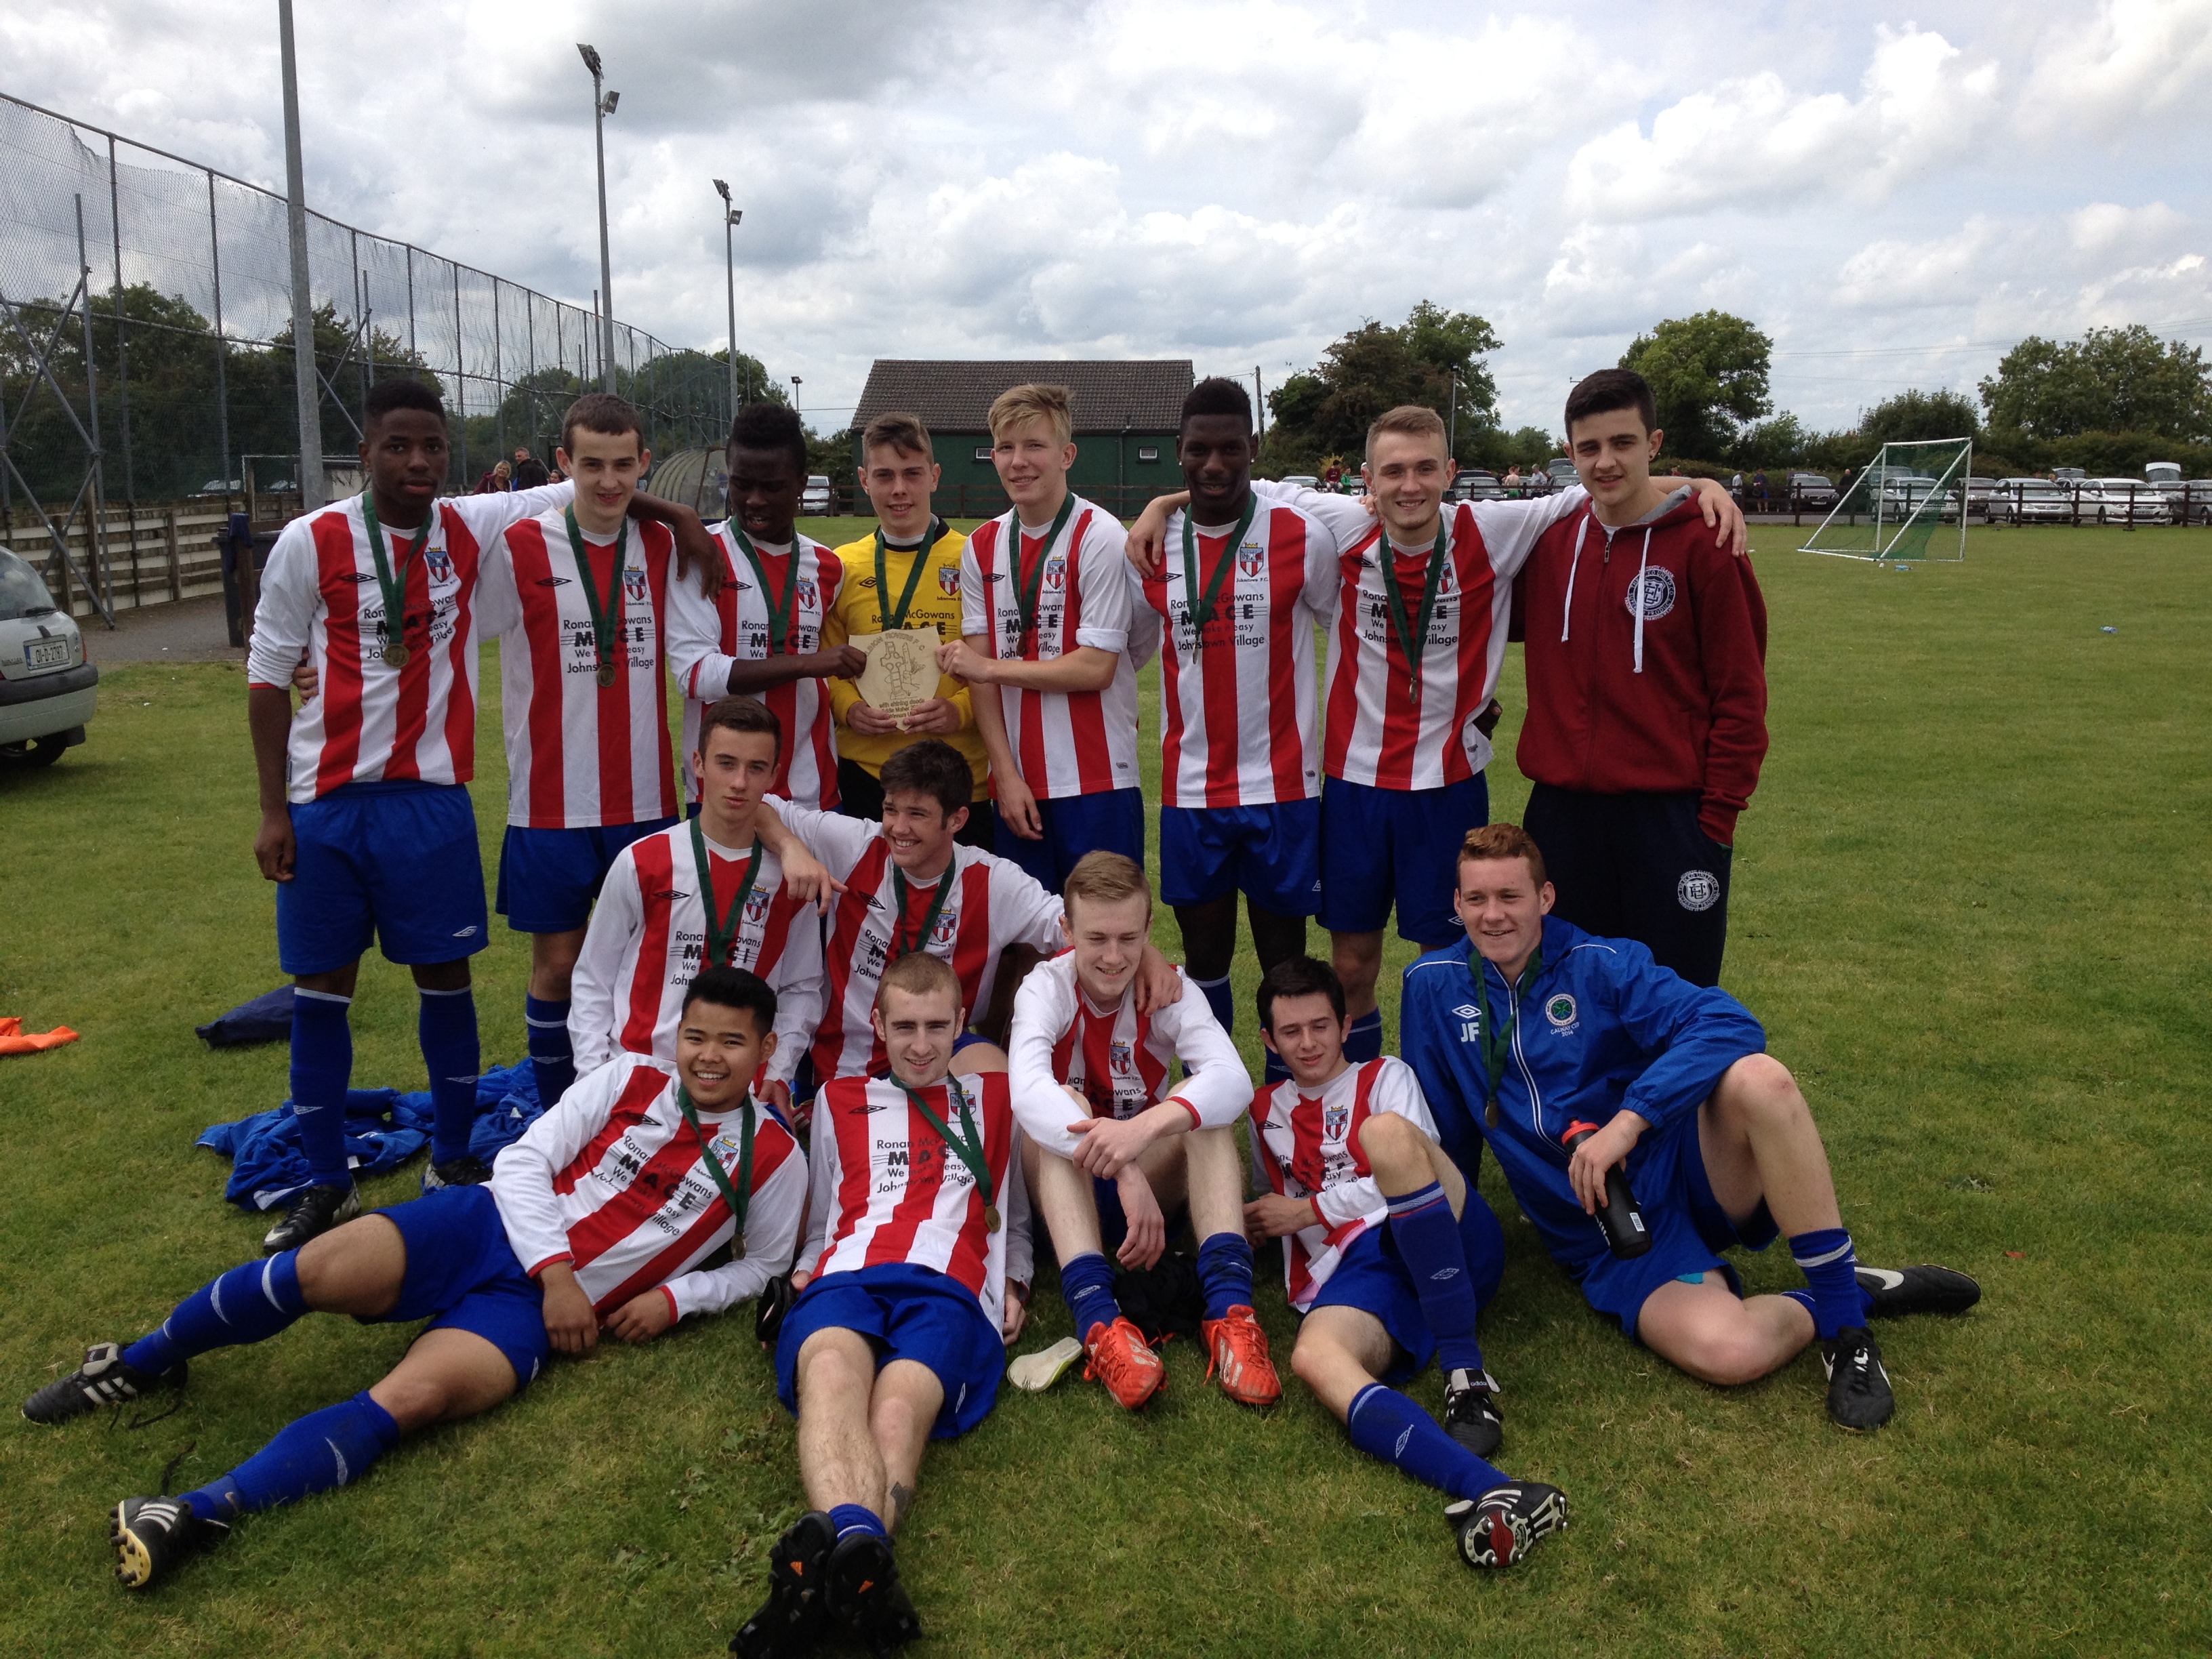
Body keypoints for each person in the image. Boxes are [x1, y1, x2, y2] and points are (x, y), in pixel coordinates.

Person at [26, 967, 806, 1589]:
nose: (709, 1056)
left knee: (413, 1400)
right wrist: (559, 1274)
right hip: (485, 1226)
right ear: (677, 1035)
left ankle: (194, 1513)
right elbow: (523, 1161)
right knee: (307, 1271)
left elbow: (764, 1265)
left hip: (525, 1312)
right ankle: (137, 1364)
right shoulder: (629, 1078)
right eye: (696, 1036)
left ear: (765, 1049)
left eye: (731, 1042)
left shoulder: (774, 1156)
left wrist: (677, 1297)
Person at [1129, 409, 1745, 1065]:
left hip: (1448, 787)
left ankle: (1439, 1100)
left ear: (1450, 473)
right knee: (1353, 963)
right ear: (1367, 480)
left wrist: (1704, 485)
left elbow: (1603, 483)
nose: (1410, 485)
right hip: (1355, 788)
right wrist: (1159, 506)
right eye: (1393, 471)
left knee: (1446, 964)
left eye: (1426, 468)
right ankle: (1353, 1097)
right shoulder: (1343, 524)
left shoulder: (1494, 528)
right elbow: (1234, 482)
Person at [244, 378, 676, 1248]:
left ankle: (450, 1159)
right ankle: (327, 1182)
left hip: (432, 801)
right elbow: (266, 673)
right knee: (321, 993)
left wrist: (687, 523)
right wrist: (272, 812)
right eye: (397, 446)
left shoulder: (470, 525)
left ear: (448, 452)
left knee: (446, 984)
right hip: (324, 802)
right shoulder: (309, 539)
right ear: (364, 453)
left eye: (432, 447)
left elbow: (597, 484)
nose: (417, 462)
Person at [1400, 824, 1982, 1431]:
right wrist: (1443, 1244)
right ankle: (1846, 1290)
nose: (1493, 915)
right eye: (1477, 899)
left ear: (1545, 897)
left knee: (1761, 1080)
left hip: (1684, 1168)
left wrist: (1629, 1121)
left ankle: (1847, 1331)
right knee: (1732, 1354)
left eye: (1510, 896)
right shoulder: (1430, 986)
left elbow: (1730, 1024)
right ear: (1457, 903)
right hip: (1603, 1226)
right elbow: (1444, 1133)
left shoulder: (1604, 964)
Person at [736, 951, 1031, 1657]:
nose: (921, 1045)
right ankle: (862, 1564)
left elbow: (1014, 1212)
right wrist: (802, 1276)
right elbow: (822, 1221)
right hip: (847, 1276)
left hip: (950, 1288)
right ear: (877, 1024)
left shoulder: (1000, 1099)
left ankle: (823, 1579)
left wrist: (1017, 1279)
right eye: (904, 1027)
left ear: (961, 1023)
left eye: (937, 1027)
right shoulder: (838, 1100)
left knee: (897, 1410)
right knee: (830, 1374)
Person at [1244, 956, 1568, 1571]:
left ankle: (1465, 1374)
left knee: (1388, 1135)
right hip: (1360, 1276)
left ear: (1346, 1025)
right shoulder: (1264, 1112)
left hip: (1440, 1233)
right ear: (1268, 1040)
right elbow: (1269, 1203)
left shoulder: (1385, 1076)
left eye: (1321, 1025)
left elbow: (1414, 1172)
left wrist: (1308, 1210)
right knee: (1313, 1358)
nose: (1308, 1043)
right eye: (1291, 1032)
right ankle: (1491, 1488)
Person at [474, 392, 718, 1115]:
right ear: (563, 463)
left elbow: (703, 643)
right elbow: (446, 633)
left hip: (644, 800)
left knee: (651, 967)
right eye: (591, 465)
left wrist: (681, 517)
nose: (609, 482)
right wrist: (312, 662)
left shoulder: (664, 546)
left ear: (644, 463)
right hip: (549, 801)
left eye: (622, 465)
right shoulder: (520, 546)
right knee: (557, 965)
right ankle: (562, 1119)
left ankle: (644, 1112)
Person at [1517, 369, 1767, 987]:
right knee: (1567, 1000)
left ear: (1653, 444)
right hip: (1562, 818)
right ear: (1570, 451)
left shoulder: (1708, 545)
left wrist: (1716, 820)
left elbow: (1741, 694)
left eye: (1622, 442)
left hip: (1673, 819)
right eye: (1589, 447)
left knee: (1675, 1000)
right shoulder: (1547, 546)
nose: (1606, 462)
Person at [1007, 852, 1276, 1410]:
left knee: (1201, 1106)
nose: (1113, 957)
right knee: (1061, 1106)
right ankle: (1100, 1324)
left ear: (1150, 929)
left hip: (1151, 1185)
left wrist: (1146, 1129)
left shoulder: (1170, 988)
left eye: (1129, 938)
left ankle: (1231, 1314)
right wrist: (1124, 1163)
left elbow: (1234, 1080)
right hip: (1068, 1188)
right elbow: (1027, 1092)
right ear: (1066, 930)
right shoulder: (1044, 987)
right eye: (1096, 938)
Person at [762, 738, 1177, 1092]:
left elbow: (1073, 924)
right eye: (891, 810)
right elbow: (761, 805)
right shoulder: (854, 845)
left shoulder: (992, 881)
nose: (899, 828)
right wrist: (790, 846)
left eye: (917, 814)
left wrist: (1146, 954)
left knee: (999, 1083)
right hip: (849, 1063)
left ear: (957, 819)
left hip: (943, 1054)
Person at [1133, 377, 1334, 1082]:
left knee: (1285, 963)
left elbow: (1349, 636)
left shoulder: (1301, 536)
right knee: (1206, 960)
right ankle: (1212, 1101)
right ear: (1178, 452)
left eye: (1229, 449)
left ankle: (1287, 1106)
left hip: (1283, 789)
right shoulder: (1152, 547)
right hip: (1193, 791)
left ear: (1254, 448)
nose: (1214, 465)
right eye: (1198, 451)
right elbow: (1128, 652)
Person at [569, 697, 823, 1115]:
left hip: (740, 1089)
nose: (739, 782)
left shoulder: (791, 879)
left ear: (774, 776)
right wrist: (593, 1076)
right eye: (726, 763)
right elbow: (593, 978)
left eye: (756, 768)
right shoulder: (643, 862)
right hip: (638, 1076)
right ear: (699, 764)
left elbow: (801, 987)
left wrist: (778, 1072)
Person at [939, 383, 1145, 893]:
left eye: (1034, 445)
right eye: (1005, 448)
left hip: (1098, 777)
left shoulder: (1100, 535)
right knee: (1028, 931)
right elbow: (980, 679)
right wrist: (1005, 775)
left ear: (1066, 455)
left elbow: (1096, 668)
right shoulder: (981, 545)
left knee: (1105, 923)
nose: (1018, 462)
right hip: (1019, 782)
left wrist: (989, 668)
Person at [669, 403, 863, 817]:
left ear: (801, 484)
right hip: (724, 792)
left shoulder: (828, 567)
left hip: (812, 791)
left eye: (772, 487)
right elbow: (695, 675)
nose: (754, 500)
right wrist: (809, 663)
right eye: (741, 484)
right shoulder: (701, 555)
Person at [821, 411, 993, 848]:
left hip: (958, 778)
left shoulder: (975, 559)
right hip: (866, 777)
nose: (899, 489)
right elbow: (825, 665)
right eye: (884, 475)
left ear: (934, 477)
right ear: (864, 480)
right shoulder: (842, 566)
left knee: (960, 893)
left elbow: (997, 663)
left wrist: (959, 710)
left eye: (912, 474)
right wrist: (848, 709)